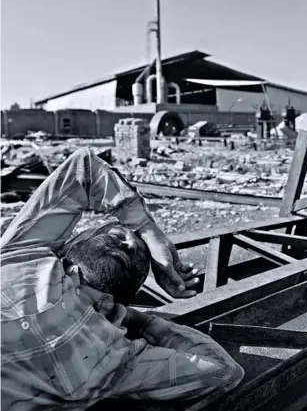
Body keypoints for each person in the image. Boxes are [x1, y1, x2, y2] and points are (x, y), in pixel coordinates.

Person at [1, 148, 244, 410]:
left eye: (136, 254)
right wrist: (149, 236)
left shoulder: (20, 256)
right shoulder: (22, 251)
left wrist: (150, 236)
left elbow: (223, 370)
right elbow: (224, 372)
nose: (129, 240)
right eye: (118, 235)